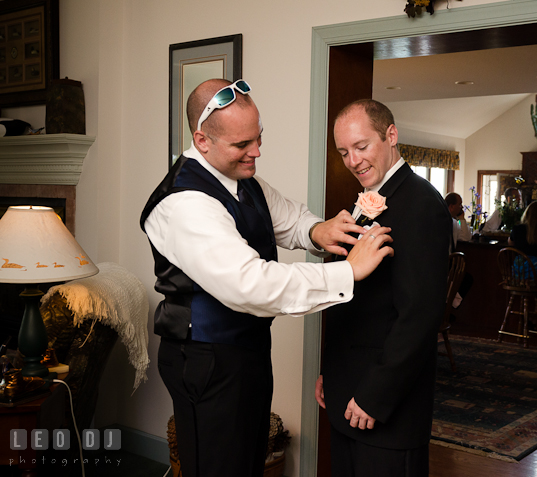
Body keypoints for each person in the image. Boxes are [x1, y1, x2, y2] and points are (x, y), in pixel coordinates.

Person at [140, 79, 394, 477]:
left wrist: (318, 230)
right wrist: (346, 271)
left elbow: (286, 217)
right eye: (242, 145)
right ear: (202, 140)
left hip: (247, 353)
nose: (256, 152)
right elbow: (251, 285)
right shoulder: (184, 204)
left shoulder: (242, 179)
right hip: (206, 360)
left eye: (258, 138)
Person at [315, 99, 451, 477]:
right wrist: (330, 371)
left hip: (385, 407)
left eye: (361, 147)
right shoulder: (364, 203)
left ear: (391, 135)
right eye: (343, 151)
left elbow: (420, 317)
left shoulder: (423, 204)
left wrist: (375, 396)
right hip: (346, 392)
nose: (353, 161)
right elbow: (351, 301)